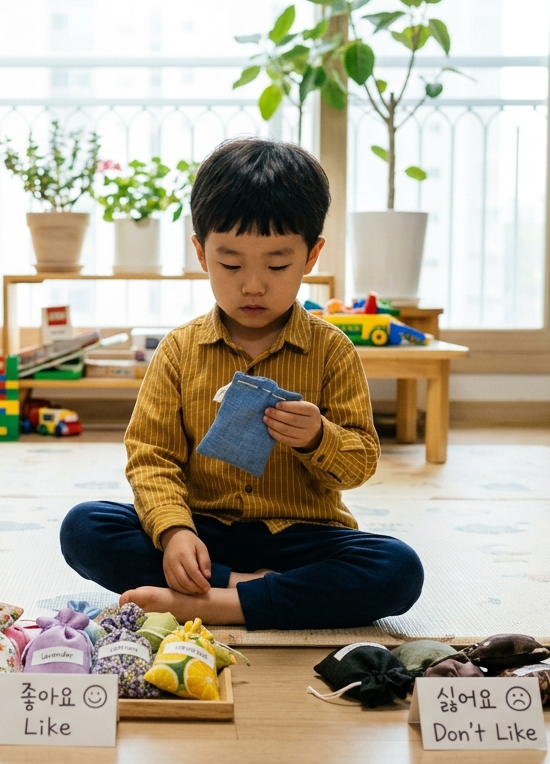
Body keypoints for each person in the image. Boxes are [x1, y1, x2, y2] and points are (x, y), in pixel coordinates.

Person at [59, 138, 424, 631]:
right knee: (85, 527)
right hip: (202, 534)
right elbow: (151, 456)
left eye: (277, 265)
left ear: (312, 255)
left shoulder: (332, 350)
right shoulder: (179, 350)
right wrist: (174, 532)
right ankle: (246, 589)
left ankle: (211, 603)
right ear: (201, 253)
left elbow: (359, 463)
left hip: (303, 535)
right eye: (231, 264)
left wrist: (318, 437)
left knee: (398, 568)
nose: (253, 285)